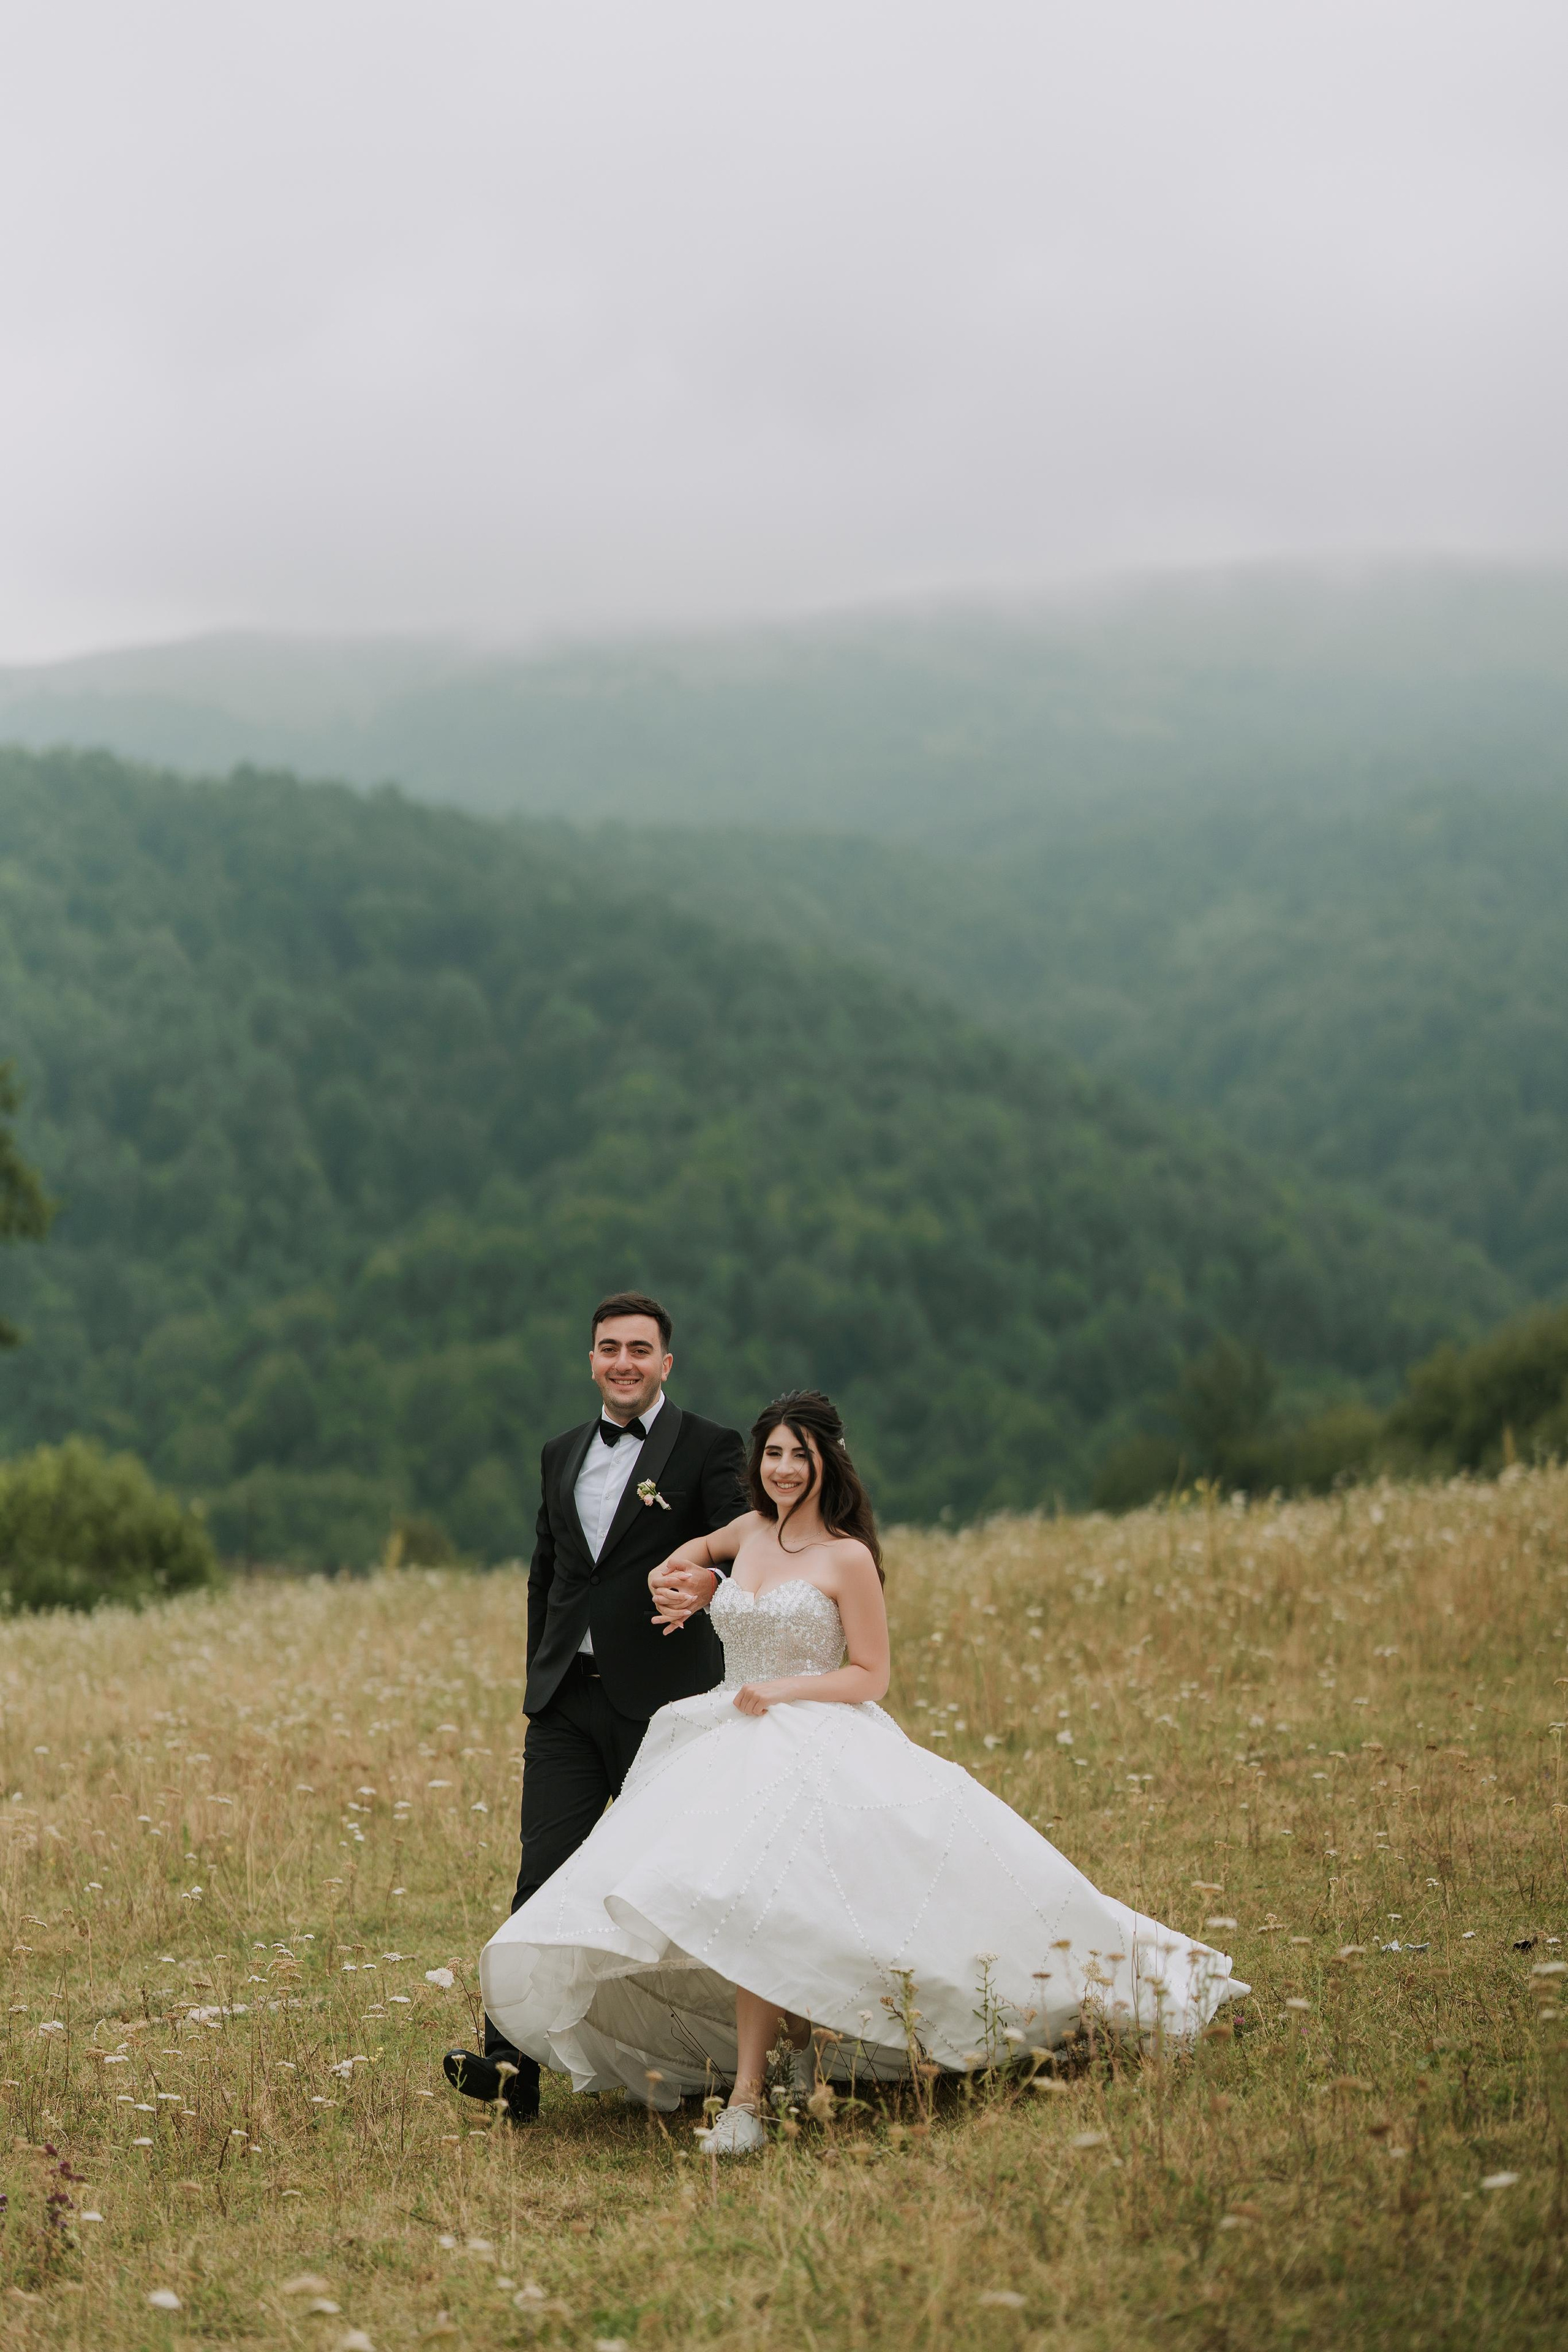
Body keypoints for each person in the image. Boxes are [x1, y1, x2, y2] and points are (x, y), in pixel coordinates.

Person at [478, 1389, 1248, 2152]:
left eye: (798, 1456)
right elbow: (681, 1555)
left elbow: (870, 1674)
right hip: (726, 1737)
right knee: (739, 1895)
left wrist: (786, 1688)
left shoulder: (846, 1556)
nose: (782, 1469)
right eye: (773, 1454)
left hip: (812, 1732)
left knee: (773, 1897)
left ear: (826, 1464)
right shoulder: (747, 1531)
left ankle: (749, 2099)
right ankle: (792, 2054)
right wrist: (690, 1584)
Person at [443, 1291, 746, 2123]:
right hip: (568, 1706)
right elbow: (551, 1570)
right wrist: (543, 1670)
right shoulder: (560, 1452)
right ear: (591, 1360)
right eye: (609, 1348)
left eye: (640, 1350)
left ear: (665, 1363)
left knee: (679, 1887)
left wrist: (711, 1583)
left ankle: (703, 2058)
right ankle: (510, 2068)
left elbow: (747, 1540)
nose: (623, 1362)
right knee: (541, 1877)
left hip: (669, 1707)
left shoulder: (711, 1447)